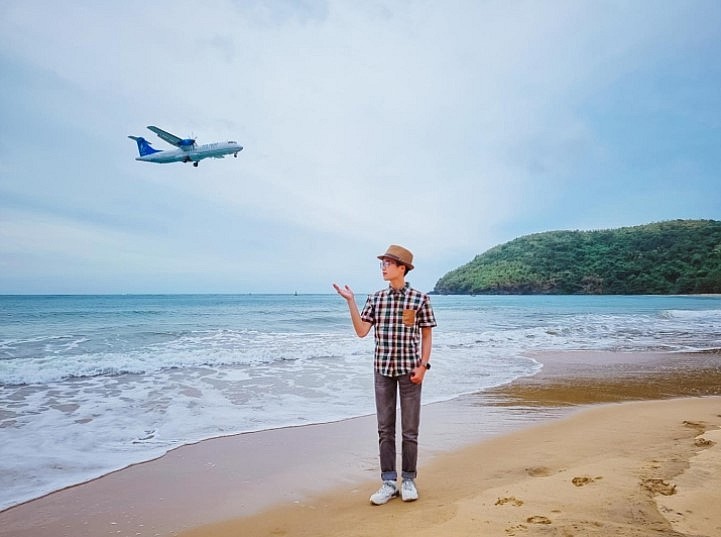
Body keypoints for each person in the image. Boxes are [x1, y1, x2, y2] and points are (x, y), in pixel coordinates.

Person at [333, 244, 437, 505]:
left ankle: (409, 479)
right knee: (385, 429)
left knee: (410, 430)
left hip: (410, 370)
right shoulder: (376, 298)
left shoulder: (420, 299)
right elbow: (361, 331)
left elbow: (426, 334)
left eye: (388, 263)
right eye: (382, 263)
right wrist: (351, 301)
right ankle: (389, 482)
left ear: (402, 268)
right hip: (383, 370)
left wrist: (424, 366)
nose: (383, 267)